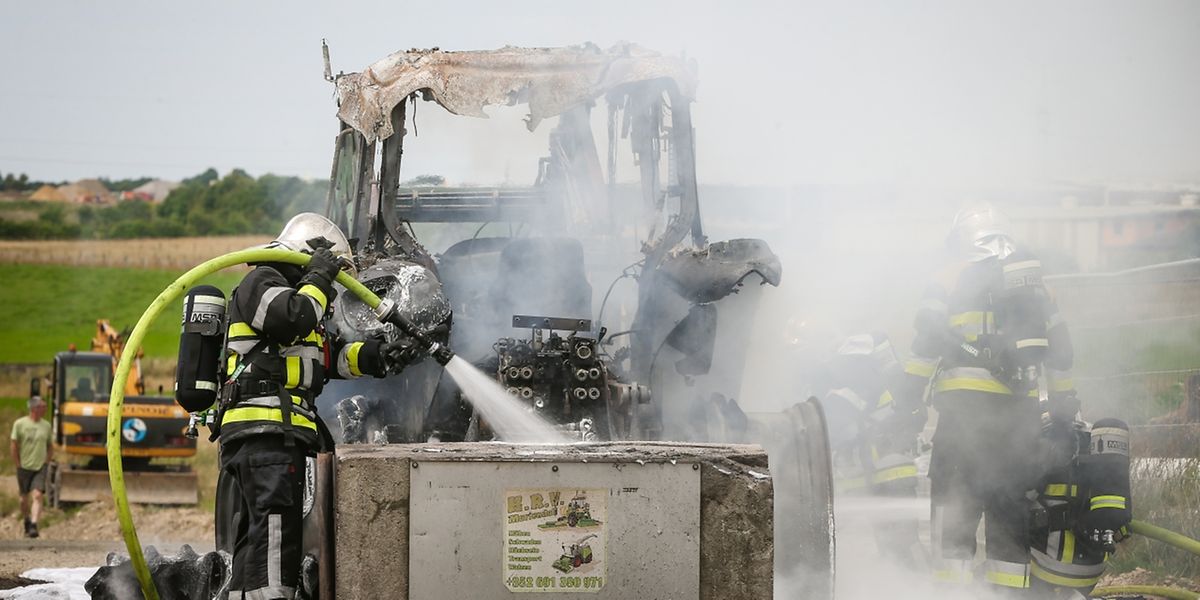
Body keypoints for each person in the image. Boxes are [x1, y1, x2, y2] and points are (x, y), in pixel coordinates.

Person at [216, 213, 416, 600]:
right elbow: (293, 318)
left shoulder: (293, 297)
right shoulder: (261, 282)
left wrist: (380, 356)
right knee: (276, 535)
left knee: (259, 537)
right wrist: (320, 277)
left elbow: (326, 358)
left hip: (274, 435)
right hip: (265, 430)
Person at [894, 205, 1075, 595]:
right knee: (1009, 517)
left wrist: (908, 401)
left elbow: (926, 342)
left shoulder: (946, 278)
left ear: (960, 240)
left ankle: (952, 594)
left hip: (963, 421)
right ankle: (1008, 595)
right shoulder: (1037, 283)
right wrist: (1063, 411)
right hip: (1017, 423)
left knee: (952, 514)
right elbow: (1061, 355)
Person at [816, 332, 926, 568]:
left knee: (881, 546)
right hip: (897, 473)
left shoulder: (848, 386)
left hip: (875, 475)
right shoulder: (890, 382)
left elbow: (839, 433)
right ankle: (914, 586)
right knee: (903, 544)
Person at [10, 396, 52, 538]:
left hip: (40, 466)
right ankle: (26, 519)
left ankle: (34, 524)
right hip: (24, 466)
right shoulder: (20, 424)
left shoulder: (46, 425)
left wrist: (46, 461)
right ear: (34, 409)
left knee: (38, 495)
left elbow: (50, 445)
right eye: (42, 406)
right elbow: (14, 445)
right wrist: (17, 463)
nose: (45, 409)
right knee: (23, 499)